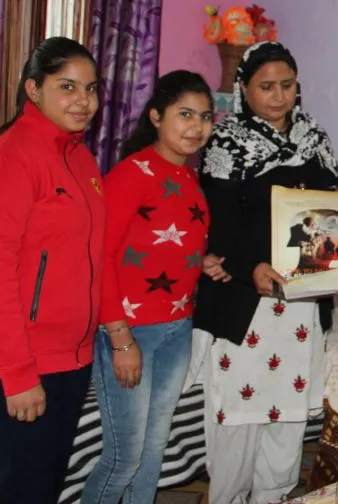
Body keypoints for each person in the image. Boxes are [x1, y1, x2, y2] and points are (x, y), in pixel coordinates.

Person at [194, 41, 338, 504]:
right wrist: (250, 268)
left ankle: (273, 497)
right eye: (266, 86)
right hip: (247, 305)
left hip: (300, 306)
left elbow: (329, 221)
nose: (279, 96)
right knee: (238, 419)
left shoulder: (314, 137)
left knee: (285, 421)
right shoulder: (226, 143)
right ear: (244, 88)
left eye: (287, 85)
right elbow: (217, 228)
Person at [0, 37, 105, 504]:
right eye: (67, 86)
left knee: (41, 487)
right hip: (19, 361)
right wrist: (18, 375)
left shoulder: (81, 158)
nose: (83, 101)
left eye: (91, 88)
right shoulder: (6, 161)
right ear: (33, 89)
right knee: (18, 490)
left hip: (71, 357)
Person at [82, 71, 226, 503]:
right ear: (157, 116)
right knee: (124, 457)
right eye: (185, 114)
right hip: (131, 330)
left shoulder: (189, 178)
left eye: (204, 116)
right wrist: (121, 338)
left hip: (177, 328)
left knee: (153, 450)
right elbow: (101, 258)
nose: (197, 127)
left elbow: (157, 242)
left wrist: (200, 263)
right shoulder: (131, 173)